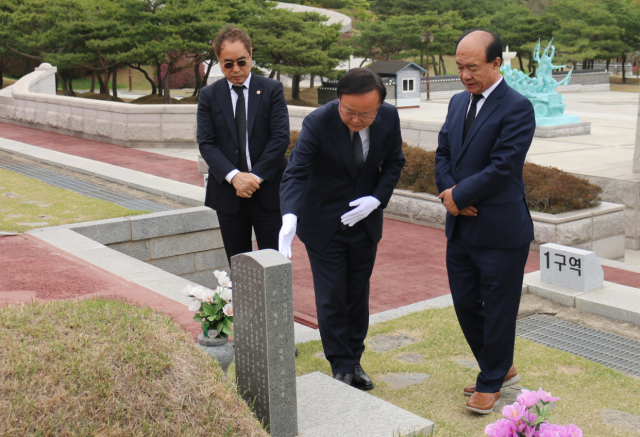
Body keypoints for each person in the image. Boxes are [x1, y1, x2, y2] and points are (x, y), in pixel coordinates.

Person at [278, 68, 405, 389]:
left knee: (357, 294)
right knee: (333, 295)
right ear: (338, 100)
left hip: (364, 223)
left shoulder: (388, 119)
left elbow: (394, 163)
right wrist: (289, 216)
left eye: (366, 114)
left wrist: (376, 199)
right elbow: (296, 172)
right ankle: (342, 366)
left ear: (379, 106)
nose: (357, 120)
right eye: (349, 111)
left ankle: (355, 358)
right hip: (322, 223)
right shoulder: (318, 122)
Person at [435, 30, 536, 414]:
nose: (464, 75)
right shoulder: (458, 101)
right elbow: (443, 152)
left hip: (500, 228)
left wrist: (458, 196)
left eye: (472, 67)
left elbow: (503, 166)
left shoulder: (517, 107)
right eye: (459, 67)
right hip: (461, 225)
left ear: (496, 64)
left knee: (497, 307)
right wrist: (450, 194)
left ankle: (490, 380)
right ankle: (500, 366)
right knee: (464, 303)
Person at [197, 25, 290, 265]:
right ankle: (242, 304)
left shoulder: (272, 90)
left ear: (250, 53)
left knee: (274, 264)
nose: (236, 69)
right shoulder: (208, 95)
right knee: (238, 265)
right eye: (228, 64)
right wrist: (234, 177)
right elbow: (206, 142)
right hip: (229, 194)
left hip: (267, 192)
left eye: (242, 61)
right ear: (219, 61)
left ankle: (274, 305)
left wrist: (253, 178)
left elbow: (280, 138)